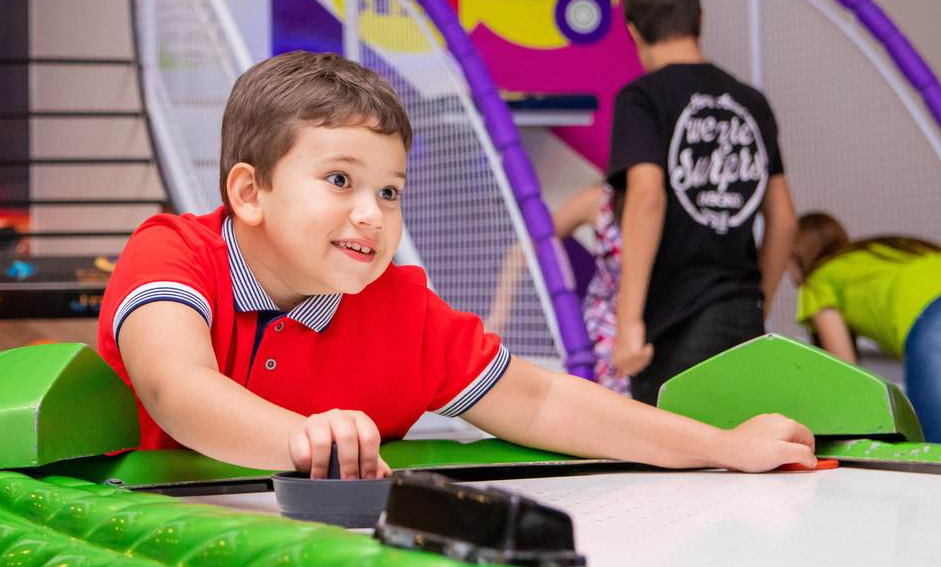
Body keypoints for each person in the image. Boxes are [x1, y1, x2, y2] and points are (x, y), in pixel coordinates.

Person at [98, 50, 815, 480]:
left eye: (389, 191)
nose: (372, 214)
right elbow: (175, 386)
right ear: (250, 193)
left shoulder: (400, 309)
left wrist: (723, 446)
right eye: (340, 181)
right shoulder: (176, 254)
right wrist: (302, 437)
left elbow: (544, 401)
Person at [606, 0, 798, 405]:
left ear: (634, 32)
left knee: (674, 464)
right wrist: (755, 304)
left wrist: (629, 322)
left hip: (675, 325)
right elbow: (784, 221)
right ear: (701, 20)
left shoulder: (643, 98)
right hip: (742, 313)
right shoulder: (752, 101)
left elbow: (647, 194)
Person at [789, 211, 941, 442]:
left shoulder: (817, 280)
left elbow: (850, 374)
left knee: (934, 453)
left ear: (794, 252)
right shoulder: (878, 252)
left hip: (933, 322)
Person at [551, 183, 630, 396]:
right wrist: (500, 311)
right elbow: (533, 242)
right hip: (604, 334)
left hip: (657, 326)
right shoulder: (599, 201)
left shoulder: (676, 204)